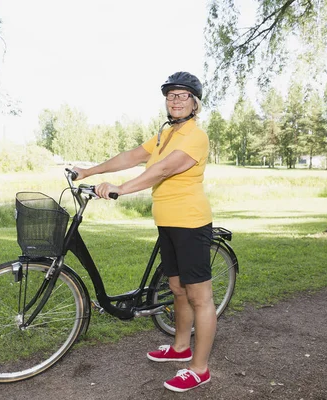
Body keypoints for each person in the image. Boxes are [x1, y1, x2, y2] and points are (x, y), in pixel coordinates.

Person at [72, 71, 215, 393]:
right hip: (167, 222)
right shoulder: (165, 135)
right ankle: (180, 347)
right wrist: (89, 170)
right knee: (177, 288)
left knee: (200, 297)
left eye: (183, 95)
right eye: (171, 95)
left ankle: (199, 367)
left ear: (195, 103)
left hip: (191, 224)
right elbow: (133, 156)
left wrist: (121, 189)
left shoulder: (196, 136)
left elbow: (163, 169)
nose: (176, 100)